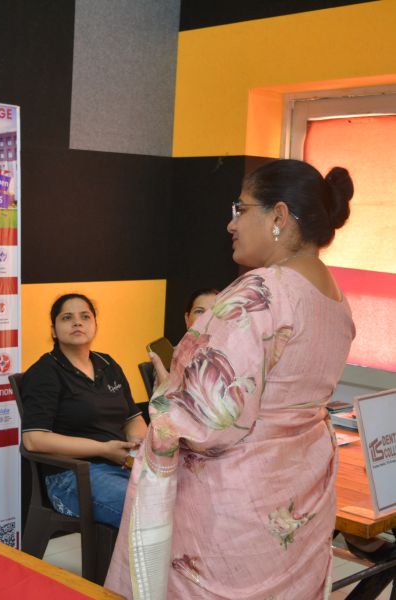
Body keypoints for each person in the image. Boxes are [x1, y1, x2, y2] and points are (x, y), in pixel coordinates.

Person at [106, 159, 356, 598]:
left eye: (241, 209)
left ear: (279, 216)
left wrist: (171, 396)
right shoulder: (335, 298)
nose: (230, 224)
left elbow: (211, 419)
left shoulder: (261, 291)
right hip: (299, 489)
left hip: (235, 503)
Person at [20, 293, 147, 528]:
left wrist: (138, 445)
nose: (77, 322)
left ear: (95, 325)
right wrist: (104, 450)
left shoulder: (108, 364)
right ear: (54, 330)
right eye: (67, 317)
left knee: (179, 495)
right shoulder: (44, 372)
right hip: (71, 476)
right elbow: (33, 439)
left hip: (121, 466)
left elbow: (133, 418)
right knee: (145, 506)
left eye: (85, 316)